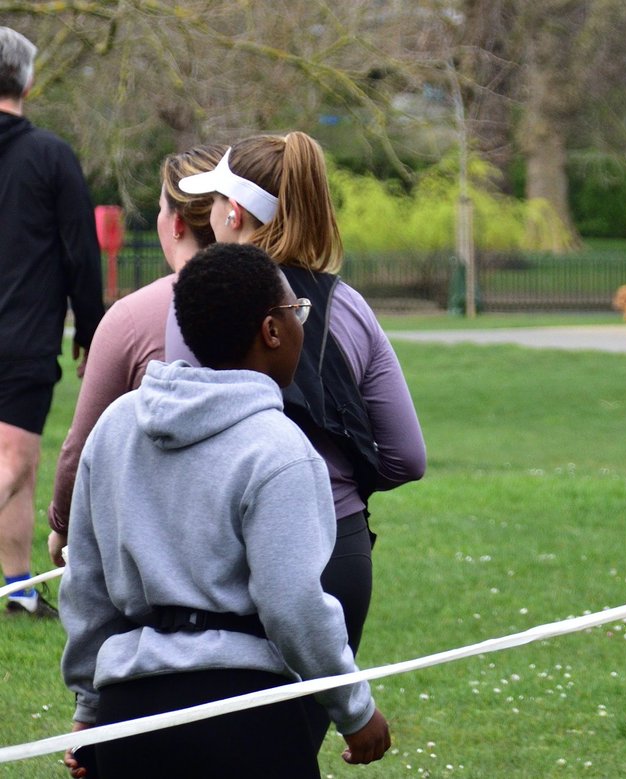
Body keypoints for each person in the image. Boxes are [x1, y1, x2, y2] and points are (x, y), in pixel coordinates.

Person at [60, 242, 391, 779]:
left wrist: (91, 709)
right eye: (296, 312)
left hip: (129, 717)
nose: (300, 323)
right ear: (272, 331)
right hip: (243, 714)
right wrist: (355, 710)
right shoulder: (278, 447)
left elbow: (86, 587)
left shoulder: (115, 427)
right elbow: (293, 606)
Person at [174, 131, 427, 654]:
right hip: (339, 548)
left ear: (234, 214)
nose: (210, 213)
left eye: (216, 200)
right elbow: (406, 457)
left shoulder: (198, 306)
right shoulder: (350, 306)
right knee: (306, 727)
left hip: (230, 553)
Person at [46, 144, 227, 568]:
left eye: (162, 209)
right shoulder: (284, 306)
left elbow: (83, 444)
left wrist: (62, 523)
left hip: (155, 546)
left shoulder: (132, 318)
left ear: (177, 222)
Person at [0, 27, 104, 618]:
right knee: (11, 463)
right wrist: (91, 330)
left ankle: (18, 589)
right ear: (29, 82)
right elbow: (81, 255)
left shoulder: (45, 156)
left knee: (21, 461)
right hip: (21, 341)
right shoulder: (50, 156)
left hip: (17, 341)